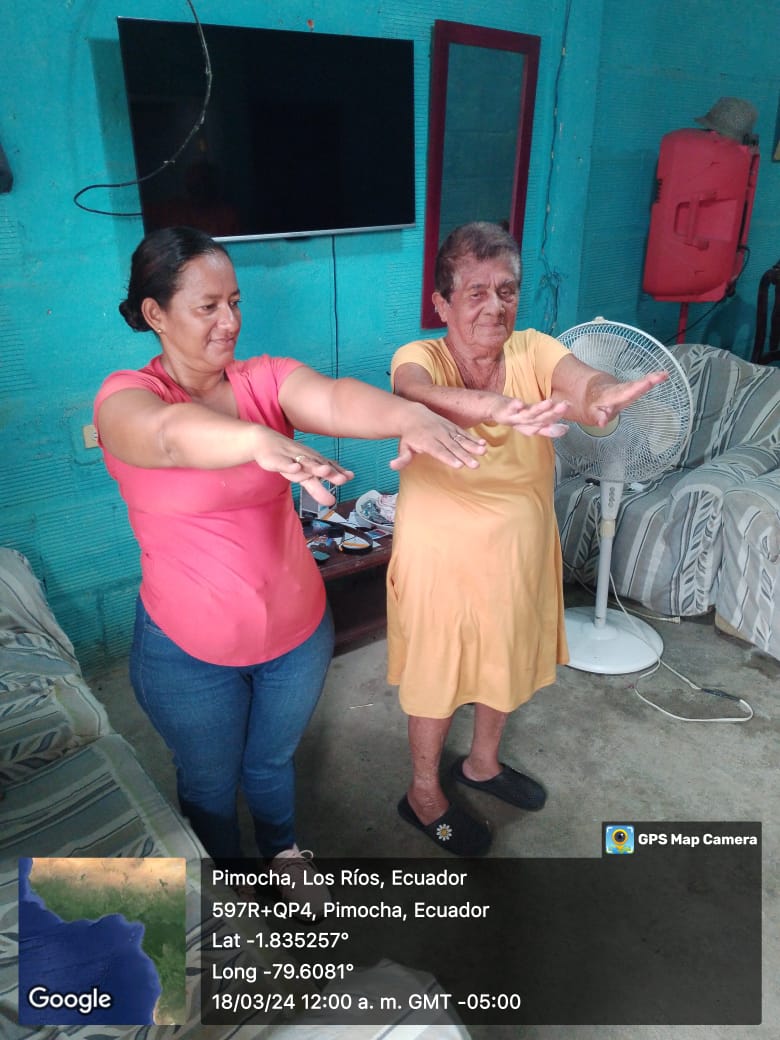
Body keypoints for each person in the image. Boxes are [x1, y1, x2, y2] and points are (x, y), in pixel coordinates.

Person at [93, 226, 486, 883]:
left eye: (235, 303)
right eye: (208, 306)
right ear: (156, 314)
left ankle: (282, 852)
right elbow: (166, 436)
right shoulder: (125, 398)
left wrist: (407, 417)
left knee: (271, 763)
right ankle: (229, 878)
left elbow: (331, 396)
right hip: (188, 652)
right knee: (209, 783)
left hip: (296, 634)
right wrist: (256, 441)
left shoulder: (263, 379)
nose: (230, 322)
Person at [387, 221, 668, 857]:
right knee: (437, 673)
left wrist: (603, 395)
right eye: (476, 292)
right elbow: (414, 394)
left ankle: (482, 764)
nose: (495, 306)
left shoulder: (533, 350)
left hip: (518, 550)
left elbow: (581, 381)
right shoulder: (419, 357)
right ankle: (423, 794)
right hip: (440, 558)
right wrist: (491, 409)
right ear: (442, 304)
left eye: (507, 291)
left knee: (506, 657)